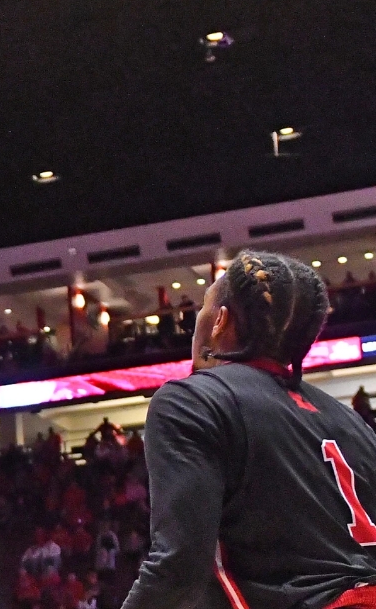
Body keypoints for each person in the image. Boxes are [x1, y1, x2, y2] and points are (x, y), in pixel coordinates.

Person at [121, 251, 376, 609]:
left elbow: (179, 565)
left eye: (202, 310)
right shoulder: (351, 422)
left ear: (220, 322)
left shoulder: (192, 399)